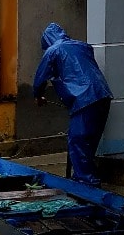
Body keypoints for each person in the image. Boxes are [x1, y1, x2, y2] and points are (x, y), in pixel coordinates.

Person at [33, 22, 113, 186]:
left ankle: (86, 182)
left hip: (84, 99)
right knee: (90, 141)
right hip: (103, 95)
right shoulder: (83, 46)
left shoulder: (53, 51)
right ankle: (85, 177)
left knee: (77, 140)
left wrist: (38, 95)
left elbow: (40, 78)